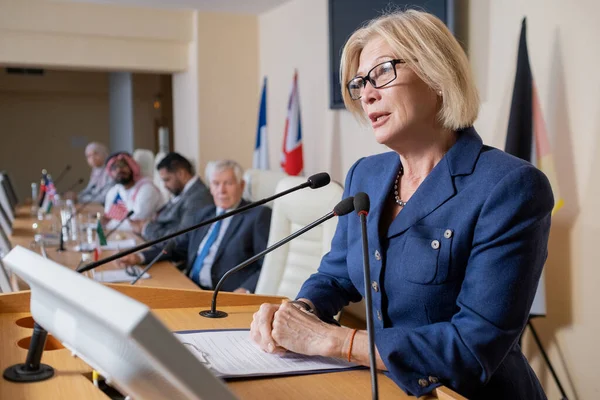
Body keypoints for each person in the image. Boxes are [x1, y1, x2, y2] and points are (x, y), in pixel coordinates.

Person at [250, 10, 553, 400]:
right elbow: (336, 275)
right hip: (380, 387)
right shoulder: (366, 175)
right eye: (360, 83)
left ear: (437, 74)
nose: (367, 94)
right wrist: (302, 312)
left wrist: (335, 341)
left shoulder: (511, 187)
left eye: (382, 73)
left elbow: (471, 348)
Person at [117, 160, 271, 293]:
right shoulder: (204, 214)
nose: (221, 190)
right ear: (210, 187)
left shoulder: (258, 216)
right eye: (216, 184)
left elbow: (267, 264)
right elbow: (177, 247)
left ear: (241, 185)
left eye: (228, 183)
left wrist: (246, 289)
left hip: (226, 296)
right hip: (191, 287)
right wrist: (139, 256)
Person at [129, 152, 214, 240]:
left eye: (167, 180)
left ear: (181, 174)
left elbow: (181, 237)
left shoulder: (198, 197)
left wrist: (145, 229)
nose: (165, 185)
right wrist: (147, 224)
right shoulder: (183, 192)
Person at [102, 152, 164, 232]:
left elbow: (136, 222)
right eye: (114, 168)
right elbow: (108, 217)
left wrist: (108, 224)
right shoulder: (114, 191)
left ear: (132, 166)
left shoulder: (147, 188)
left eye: (123, 165)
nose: (119, 170)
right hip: (122, 236)